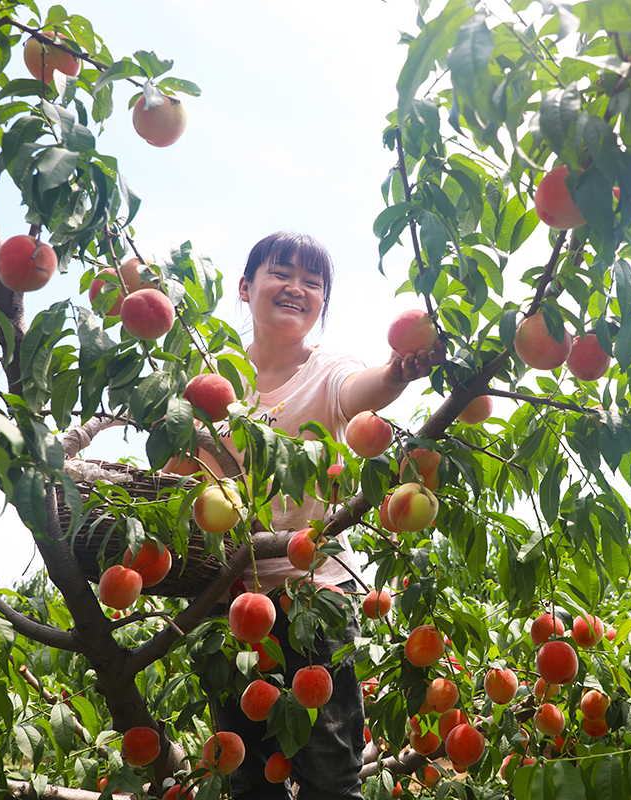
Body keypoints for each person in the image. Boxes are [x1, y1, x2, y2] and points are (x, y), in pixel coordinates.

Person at [187, 231, 439, 800]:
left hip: (312, 595)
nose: (297, 288)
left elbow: (360, 392)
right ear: (246, 287)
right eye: (282, 273)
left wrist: (397, 373)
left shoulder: (329, 369)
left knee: (328, 766)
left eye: (313, 282)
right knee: (248, 773)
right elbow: (186, 475)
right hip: (230, 603)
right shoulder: (210, 382)